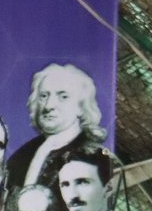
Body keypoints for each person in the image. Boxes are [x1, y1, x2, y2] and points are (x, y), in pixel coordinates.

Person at [6, 63, 105, 197]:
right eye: (43, 96)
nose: (49, 106)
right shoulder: (23, 154)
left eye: (63, 96)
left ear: (81, 107)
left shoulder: (93, 157)